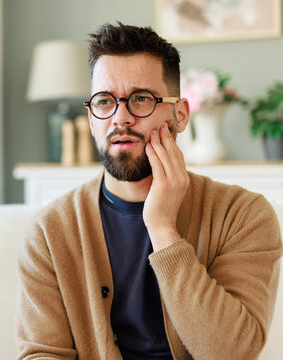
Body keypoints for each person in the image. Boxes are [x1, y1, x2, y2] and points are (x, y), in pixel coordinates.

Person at [15, 23, 282, 360]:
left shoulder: (243, 215)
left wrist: (162, 228)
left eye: (140, 99)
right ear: (91, 116)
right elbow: (42, 354)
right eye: (104, 101)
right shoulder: (49, 231)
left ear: (180, 114)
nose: (120, 118)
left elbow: (232, 353)